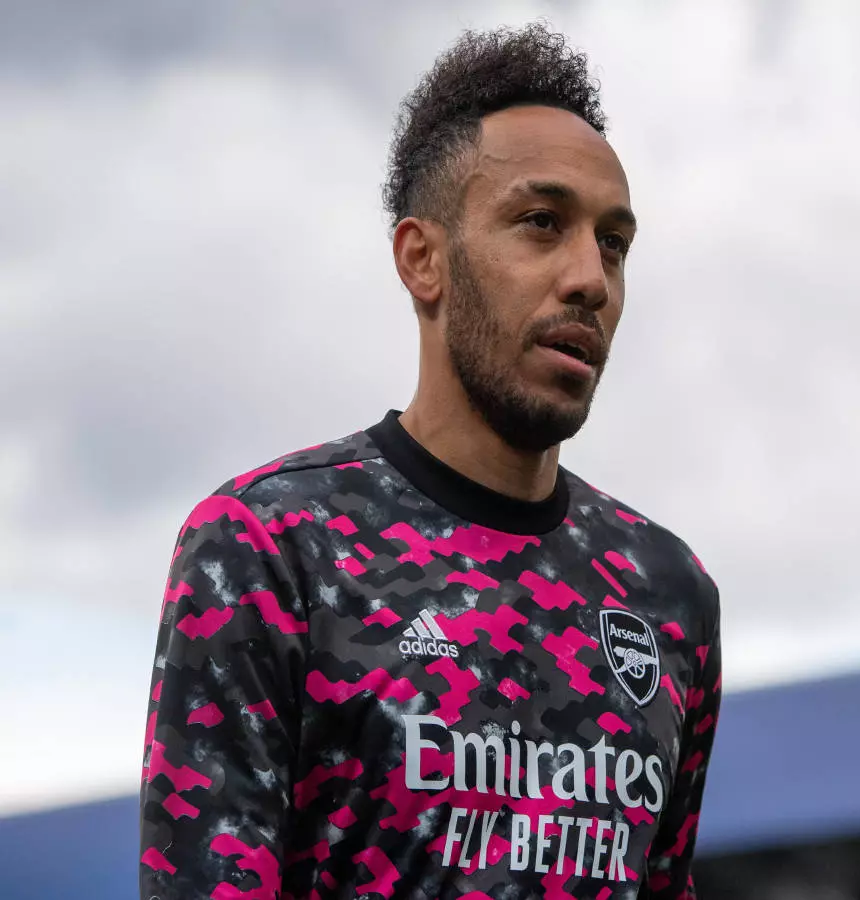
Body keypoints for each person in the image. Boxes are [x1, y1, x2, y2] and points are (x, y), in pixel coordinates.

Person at [139, 23, 721, 900]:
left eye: (613, 243)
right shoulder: (270, 549)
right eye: (541, 223)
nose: (590, 279)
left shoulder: (667, 591)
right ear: (424, 259)